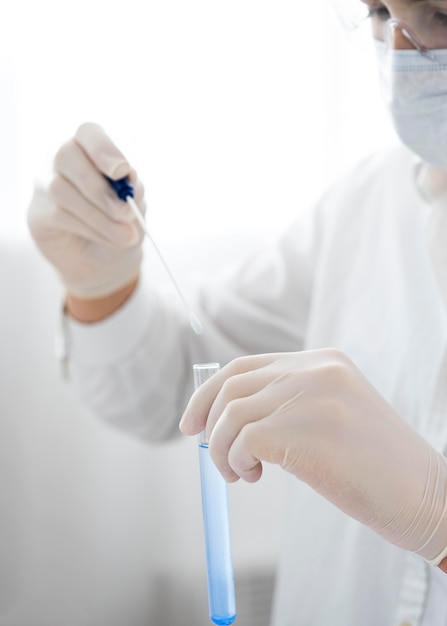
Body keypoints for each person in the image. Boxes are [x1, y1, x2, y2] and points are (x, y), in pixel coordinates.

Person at [27, 0, 447, 624]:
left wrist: (437, 517)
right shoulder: (366, 205)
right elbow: (174, 381)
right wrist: (101, 282)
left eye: (440, 16)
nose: (402, 52)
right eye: (383, 12)